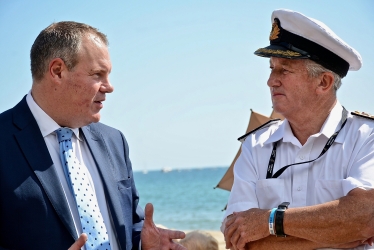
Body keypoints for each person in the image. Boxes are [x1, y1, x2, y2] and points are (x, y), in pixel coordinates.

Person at [0, 21, 186, 250]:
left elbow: (131, 225)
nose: (109, 87)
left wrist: (143, 244)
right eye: (98, 74)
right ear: (57, 71)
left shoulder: (114, 141)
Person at [222, 9, 374, 250]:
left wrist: (269, 221)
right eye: (271, 68)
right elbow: (238, 238)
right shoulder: (256, 145)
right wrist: (337, 233)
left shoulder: (367, 137)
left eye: (284, 69)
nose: (271, 80)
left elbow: (365, 218)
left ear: (323, 82)